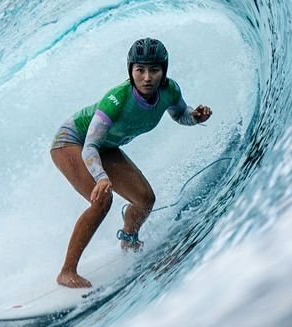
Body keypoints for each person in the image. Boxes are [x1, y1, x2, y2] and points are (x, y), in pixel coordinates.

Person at [49, 38, 213, 288]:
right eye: (140, 70)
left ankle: (129, 238)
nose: (147, 77)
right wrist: (102, 177)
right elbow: (90, 145)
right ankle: (67, 272)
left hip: (105, 147)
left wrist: (195, 117)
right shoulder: (116, 100)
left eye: (154, 70)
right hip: (72, 142)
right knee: (102, 199)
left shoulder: (170, 91)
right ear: (131, 71)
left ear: (164, 71)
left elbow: (181, 114)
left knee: (145, 200)